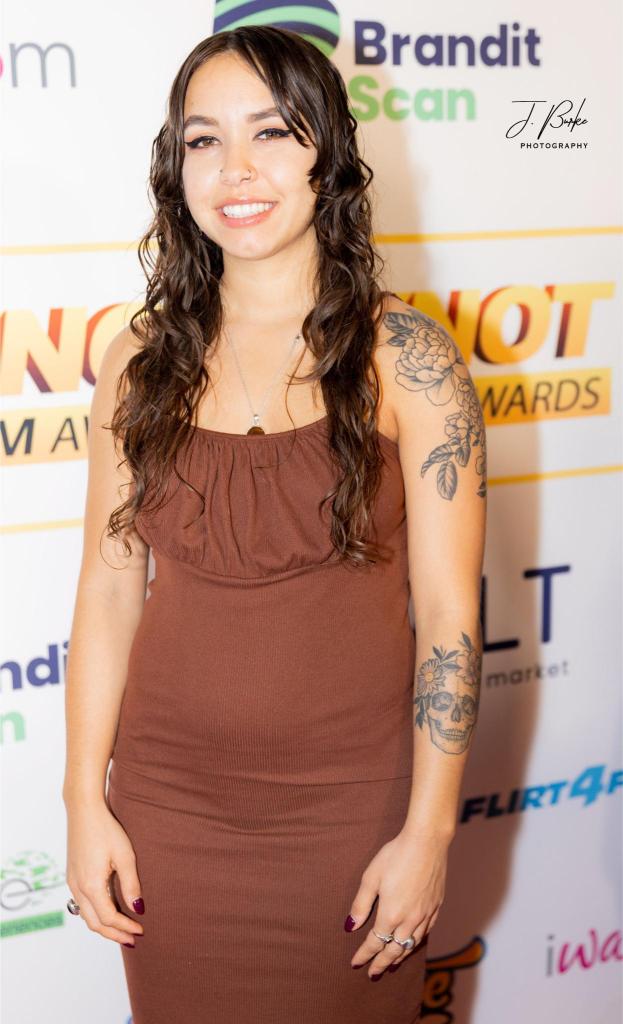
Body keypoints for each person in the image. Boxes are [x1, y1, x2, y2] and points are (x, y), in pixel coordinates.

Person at [62, 25, 487, 1024]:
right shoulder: (138, 361)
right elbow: (109, 589)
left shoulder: (408, 359)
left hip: (351, 817)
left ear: (324, 153)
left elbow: (448, 617)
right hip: (168, 815)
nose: (235, 169)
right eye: (203, 139)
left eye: (270, 132)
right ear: (175, 168)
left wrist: (428, 834)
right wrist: (83, 799)